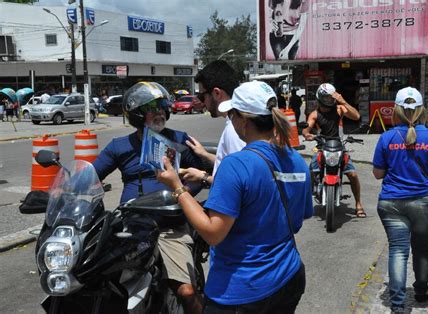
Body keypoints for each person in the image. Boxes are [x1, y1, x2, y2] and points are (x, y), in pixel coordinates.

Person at [157, 81, 313, 313]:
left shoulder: (236, 165)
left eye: (231, 114)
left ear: (244, 120)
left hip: (241, 290)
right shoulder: (298, 161)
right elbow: (299, 219)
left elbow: (212, 233)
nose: (230, 120)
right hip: (288, 277)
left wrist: (177, 187)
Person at [92, 82, 205, 314]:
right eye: (153, 107)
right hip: (129, 224)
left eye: (163, 105)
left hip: (169, 226)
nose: (161, 111)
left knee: (187, 292)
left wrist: (181, 194)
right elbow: (91, 176)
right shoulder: (119, 146)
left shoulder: (179, 140)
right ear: (136, 113)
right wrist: (62, 191)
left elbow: (200, 177)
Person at [372, 87, 428, 312]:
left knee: (397, 250)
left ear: (396, 111)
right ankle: (421, 290)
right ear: (421, 110)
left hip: (391, 203)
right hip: (425, 203)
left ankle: (397, 304)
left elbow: (377, 174)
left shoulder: (386, 137)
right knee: (421, 248)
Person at [302, 83, 366, 217]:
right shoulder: (314, 114)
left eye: (331, 98)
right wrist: (308, 134)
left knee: (353, 174)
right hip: (322, 147)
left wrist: (343, 101)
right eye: (326, 98)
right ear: (320, 97)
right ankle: (308, 198)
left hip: (340, 147)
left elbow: (356, 116)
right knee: (311, 171)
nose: (329, 101)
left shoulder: (339, 109)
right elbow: (306, 129)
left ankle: (358, 204)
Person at [180, 60, 245, 186]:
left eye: (202, 96)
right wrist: (205, 155)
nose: (202, 103)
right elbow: (229, 165)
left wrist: (203, 177)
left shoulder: (235, 130)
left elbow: (238, 182)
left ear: (216, 93)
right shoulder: (235, 123)